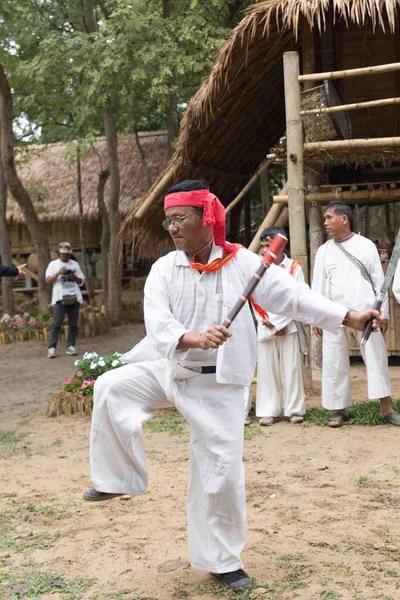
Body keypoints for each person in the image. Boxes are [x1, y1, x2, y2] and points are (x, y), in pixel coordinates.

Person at [84, 181, 384, 591]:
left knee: (220, 474)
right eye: (167, 220)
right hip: (170, 367)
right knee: (112, 386)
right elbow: (157, 324)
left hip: (219, 386)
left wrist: (350, 316)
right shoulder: (164, 269)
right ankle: (118, 480)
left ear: (206, 218)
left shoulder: (243, 263)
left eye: (179, 218)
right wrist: (193, 338)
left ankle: (222, 561)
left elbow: (295, 299)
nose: (171, 228)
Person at [311, 201, 400, 427]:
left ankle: (386, 408)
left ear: (344, 219)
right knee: (334, 361)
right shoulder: (323, 251)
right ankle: (339, 410)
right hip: (334, 315)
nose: (325, 223)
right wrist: (317, 317)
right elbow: (317, 286)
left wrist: (383, 315)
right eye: (325, 219)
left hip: (367, 313)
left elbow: (380, 284)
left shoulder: (366, 246)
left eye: (329, 217)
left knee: (376, 358)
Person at [254, 227, 306, 426]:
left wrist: (280, 323)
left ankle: (294, 410)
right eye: (264, 246)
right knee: (267, 370)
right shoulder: (258, 266)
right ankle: (268, 410)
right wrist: (268, 323)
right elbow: (253, 296)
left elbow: (297, 299)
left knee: (292, 368)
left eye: (270, 245)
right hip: (265, 325)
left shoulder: (294, 267)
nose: (266, 249)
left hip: (288, 325)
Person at [45, 242, 85, 358]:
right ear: (59, 253)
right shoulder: (53, 264)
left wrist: (73, 277)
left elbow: (81, 281)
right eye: (63, 254)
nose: (65, 256)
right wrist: (59, 272)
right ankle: (52, 348)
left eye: (67, 254)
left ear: (70, 254)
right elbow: (48, 280)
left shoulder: (75, 264)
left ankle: (71, 346)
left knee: (73, 324)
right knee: (56, 323)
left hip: (74, 297)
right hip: (59, 298)